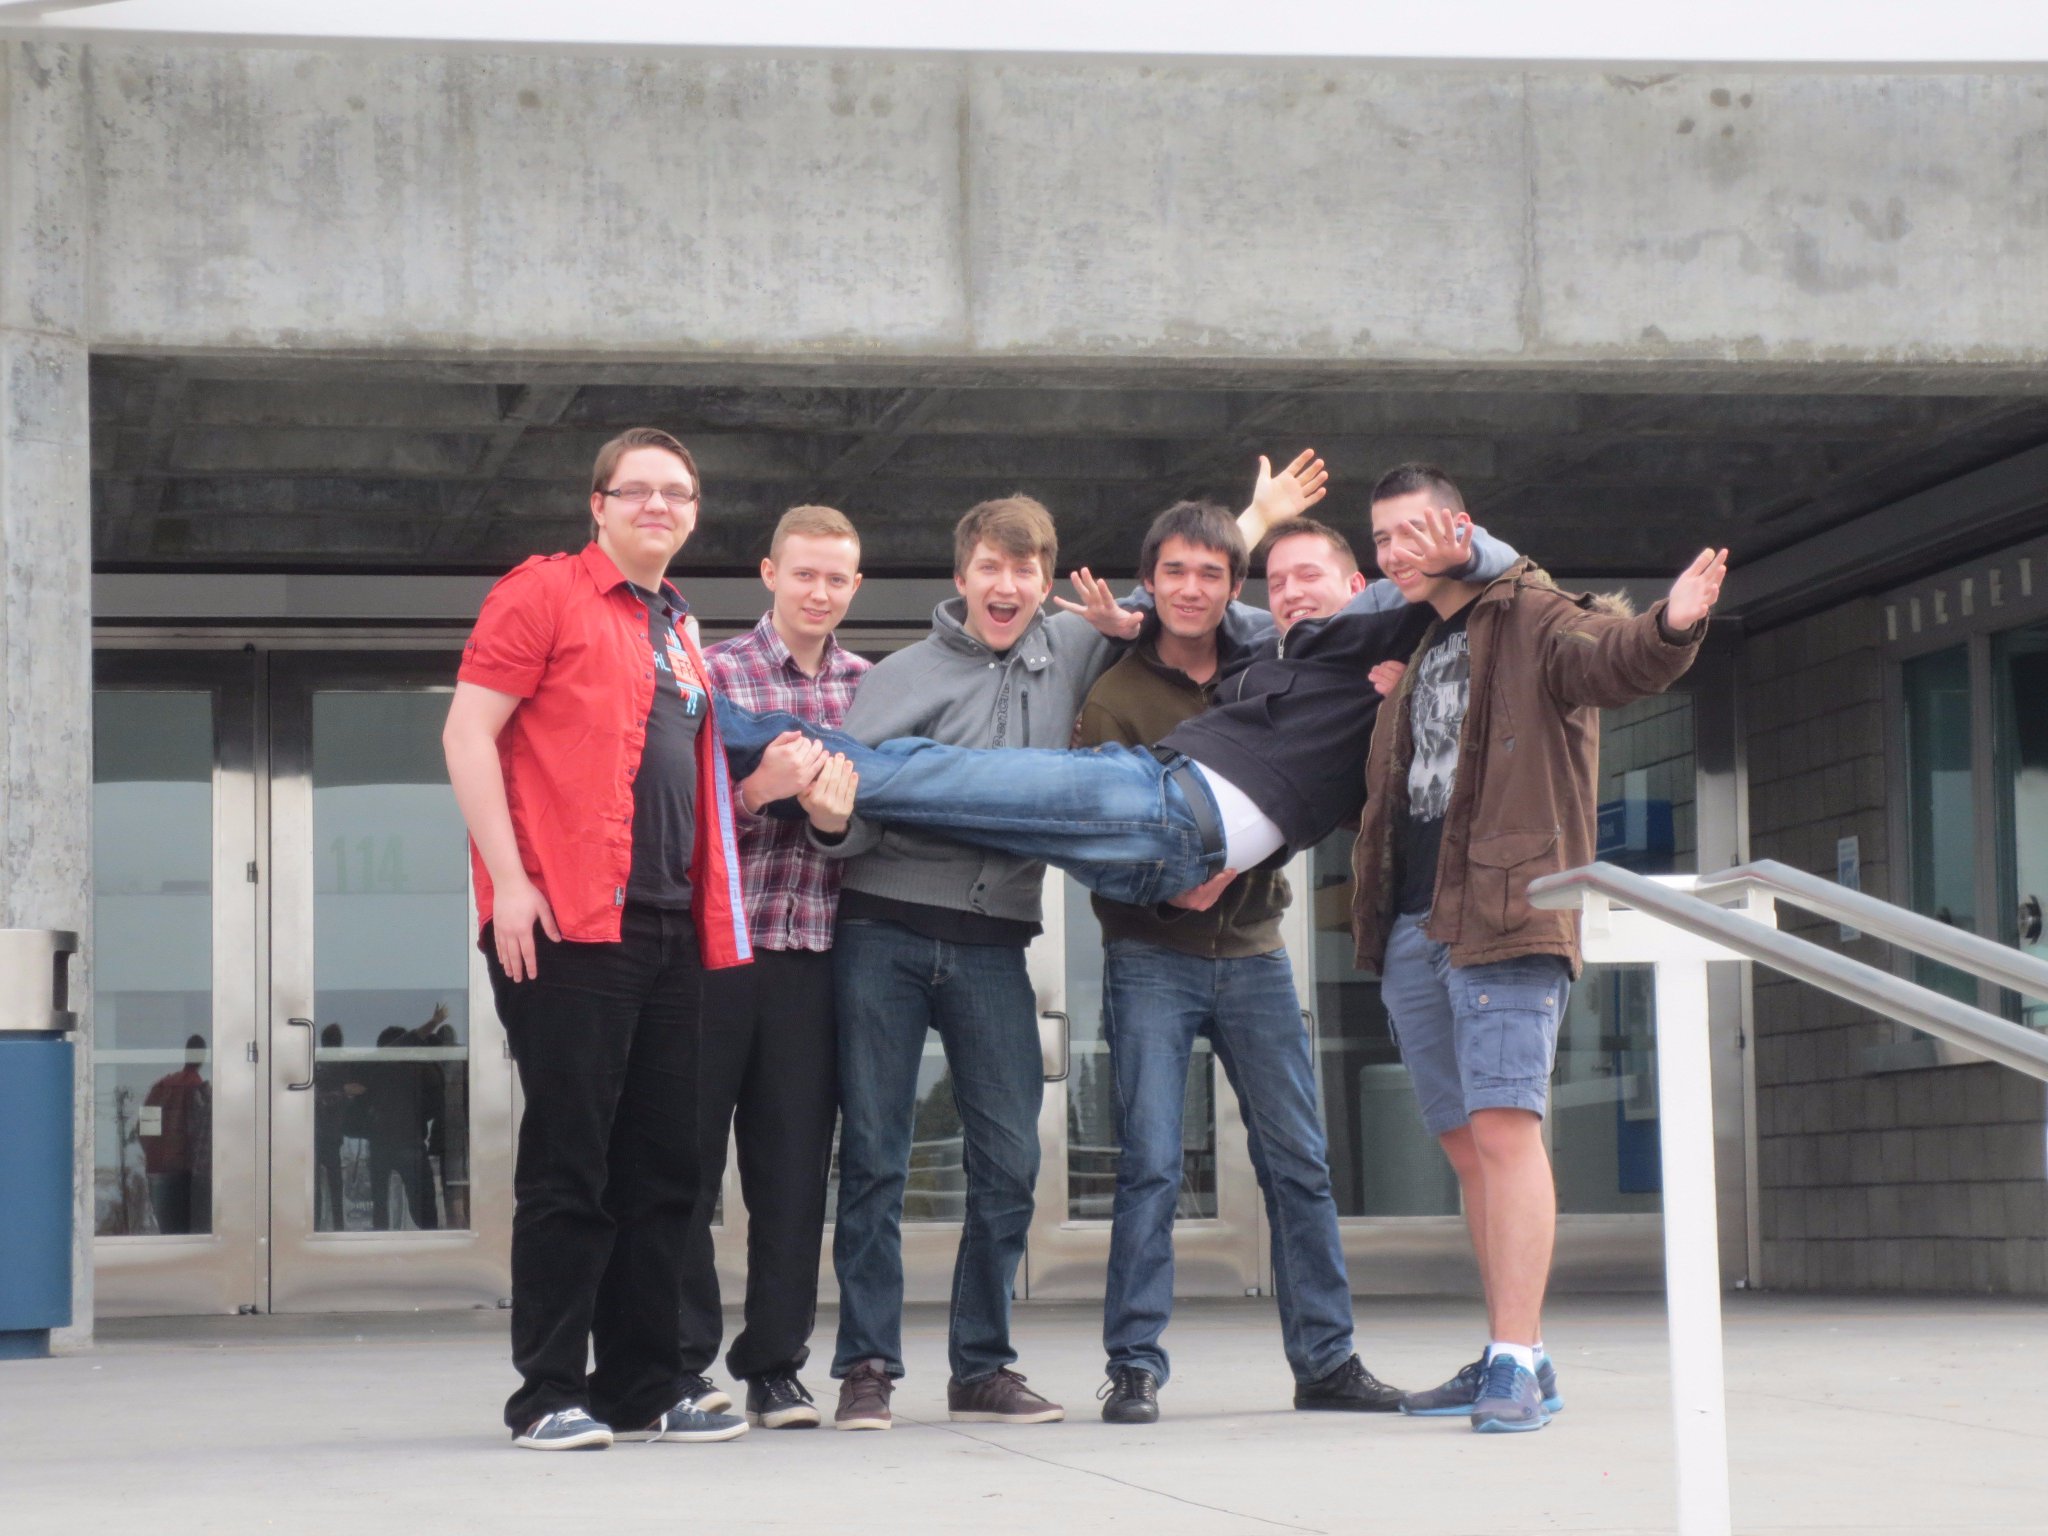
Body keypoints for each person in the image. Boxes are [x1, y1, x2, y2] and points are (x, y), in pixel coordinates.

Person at [442, 425, 820, 1451]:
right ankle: (546, 1392)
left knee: (664, 1169)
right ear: (598, 504)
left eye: (677, 493)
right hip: (568, 921)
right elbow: (467, 734)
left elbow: (679, 783)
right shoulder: (543, 592)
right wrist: (509, 885)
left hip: (672, 925)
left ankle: (646, 1382)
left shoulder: (677, 626)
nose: (658, 505)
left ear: (694, 514)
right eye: (637, 489)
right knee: (571, 1166)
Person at [1349, 462, 1723, 1434]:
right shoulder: (1421, 645)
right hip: (1415, 923)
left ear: (1461, 528)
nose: (1394, 552)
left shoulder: (1531, 614)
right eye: (1380, 538)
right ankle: (1514, 1352)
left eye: (1412, 531)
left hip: (1508, 910)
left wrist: (1671, 626)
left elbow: (1612, 661)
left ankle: (1513, 1360)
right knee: (1467, 1145)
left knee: (1505, 1129)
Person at [812, 492, 1152, 1433]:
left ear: (1045, 584)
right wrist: (831, 825)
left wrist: (1255, 518)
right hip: (881, 934)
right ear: (961, 577)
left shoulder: (1074, 649)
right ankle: (866, 1365)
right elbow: (847, 816)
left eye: (1025, 570)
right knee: (875, 1158)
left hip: (997, 942)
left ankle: (981, 1365)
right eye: (991, 568)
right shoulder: (898, 676)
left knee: (1010, 1162)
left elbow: (1183, 593)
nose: (1008, 585)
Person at [1073, 501, 1404, 1422]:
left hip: (1257, 952)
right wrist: (1169, 889)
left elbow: (1320, 789)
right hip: (1151, 954)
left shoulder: (1273, 668)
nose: (1192, 590)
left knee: (1299, 1161)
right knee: (1149, 1165)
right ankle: (1134, 1365)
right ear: (1150, 583)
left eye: (1212, 575)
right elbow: (1095, 841)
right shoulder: (1113, 695)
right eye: (1175, 573)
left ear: (1233, 589)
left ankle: (1327, 1362)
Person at [682, 503, 872, 1430]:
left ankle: (773, 1366)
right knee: (682, 1167)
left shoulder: (873, 690)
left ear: (856, 587)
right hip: (713, 954)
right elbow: (669, 813)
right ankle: (679, 1363)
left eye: (836, 578)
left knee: (793, 1178)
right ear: (769, 574)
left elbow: (881, 829)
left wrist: (836, 827)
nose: (819, 592)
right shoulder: (711, 674)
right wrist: (755, 792)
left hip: (812, 963)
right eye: (804, 574)